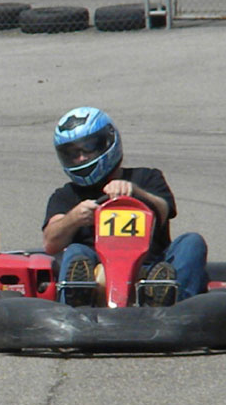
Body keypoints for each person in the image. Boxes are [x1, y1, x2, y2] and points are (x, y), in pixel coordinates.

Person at [42, 107, 208, 306]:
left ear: (108, 142)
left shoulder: (146, 177)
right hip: (98, 269)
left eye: (88, 148)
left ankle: (172, 304)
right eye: (72, 153)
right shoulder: (67, 195)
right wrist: (74, 218)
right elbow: (50, 243)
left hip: (151, 267)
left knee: (192, 242)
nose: (81, 158)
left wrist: (136, 192)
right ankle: (78, 303)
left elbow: (163, 211)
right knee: (76, 250)